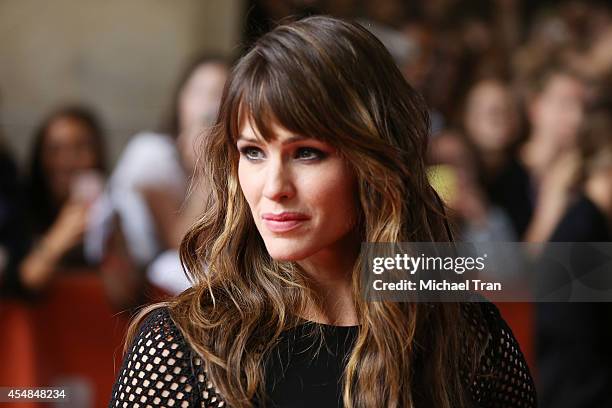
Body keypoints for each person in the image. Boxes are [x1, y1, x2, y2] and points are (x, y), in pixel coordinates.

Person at [109, 16, 536, 407]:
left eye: (307, 153)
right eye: (253, 152)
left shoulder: (465, 337)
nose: (273, 188)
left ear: (374, 164)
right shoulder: (184, 345)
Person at [19, 106, 106, 292]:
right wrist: (59, 238)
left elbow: (125, 292)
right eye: (55, 149)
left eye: (80, 148)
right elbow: (27, 279)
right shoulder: (20, 211)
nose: (67, 161)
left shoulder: (112, 208)